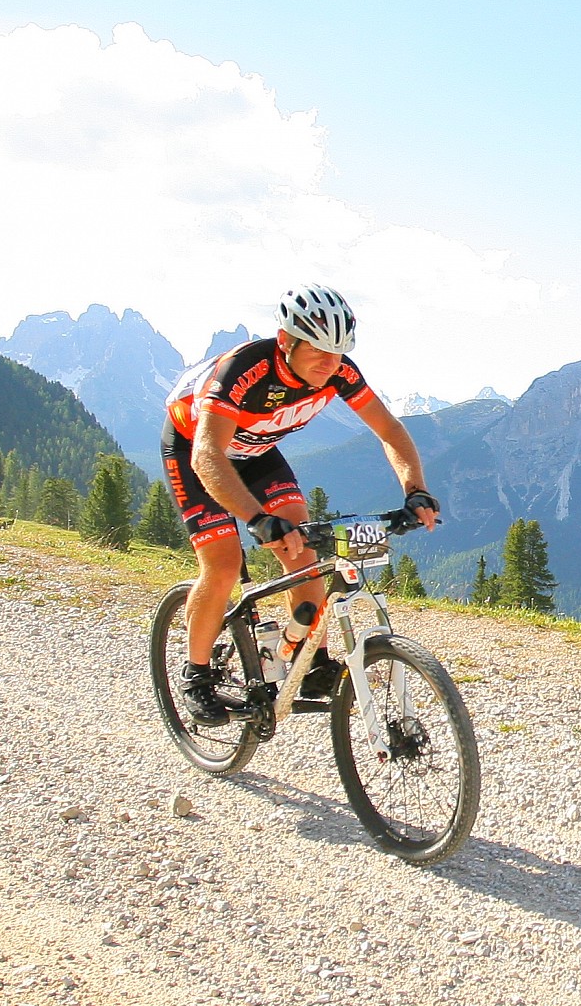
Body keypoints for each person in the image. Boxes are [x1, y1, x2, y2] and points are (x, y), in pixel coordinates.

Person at [160, 284, 440, 723]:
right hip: (197, 449)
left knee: (304, 552)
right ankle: (195, 674)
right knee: (223, 563)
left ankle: (312, 659)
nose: (330, 364)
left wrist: (415, 489)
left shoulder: (340, 372)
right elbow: (207, 456)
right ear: (286, 340)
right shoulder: (242, 371)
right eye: (318, 351)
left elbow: (388, 430)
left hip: (257, 452)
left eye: (338, 352)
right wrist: (255, 518)